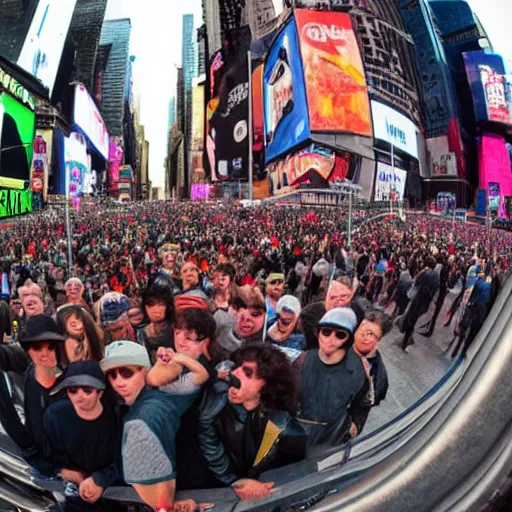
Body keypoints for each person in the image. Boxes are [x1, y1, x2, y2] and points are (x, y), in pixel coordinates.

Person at [198, 343, 307, 499]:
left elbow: (289, 482)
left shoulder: (286, 432)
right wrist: (234, 483)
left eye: (247, 373)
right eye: (237, 367)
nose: (235, 374)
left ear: (267, 385)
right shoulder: (215, 403)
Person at [99, 340, 196, 511]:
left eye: (126, 373)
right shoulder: (168, 391)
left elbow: (159, 498)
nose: (118, 382)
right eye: (112, 375)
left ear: (145, 371)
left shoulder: (140, 421)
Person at [43, 361, 120, 504]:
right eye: (73, 390)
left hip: (113, 495)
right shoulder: (54, 416)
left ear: (100, 393)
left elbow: (125, 462)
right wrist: (62, 471)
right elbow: (47, 456)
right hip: (68, 494)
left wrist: (101, 480)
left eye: (87, 390)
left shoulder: (118, 418)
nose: (80, 397)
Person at [0, 315, 66, 473]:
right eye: (37, 348)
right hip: (41, 465)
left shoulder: (69, 382)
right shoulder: (32, 375)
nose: (44, 354)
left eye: (50, 347)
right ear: (28, 350)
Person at [295, 308, 369, 447]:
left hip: (329, 440)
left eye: (340, 335)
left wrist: (354, 428)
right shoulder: (303, 360)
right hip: (297, 434)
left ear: (348, 339)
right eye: (326, 332)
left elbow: (362, 405)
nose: (331, 339)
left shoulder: (358, 371)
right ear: (318, 333)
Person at [352, 310, 392, 433]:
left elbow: (366, 406)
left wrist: (353, 426)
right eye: (361, 327)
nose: (362, 334)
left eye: (370, 333)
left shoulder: (377, 375)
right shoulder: (341, 344)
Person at [399, 258, 439, 351]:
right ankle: (407, 338)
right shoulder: (436, 276)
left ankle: (406, 339)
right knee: (413, 319)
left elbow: (415, 282)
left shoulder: (424, 272)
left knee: (411, 319)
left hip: (418, 299)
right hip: (425, 302)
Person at [216, 285, 266, 353]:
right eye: (238, 309)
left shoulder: (266, 332)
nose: (246, 319)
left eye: (254, 314)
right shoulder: (220, 321)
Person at [137, 275, 175, 364]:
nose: (156, 309)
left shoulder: (177, 333)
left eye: (161, 303)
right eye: (150, 304)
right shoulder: (141, 334)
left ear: (168, 305)